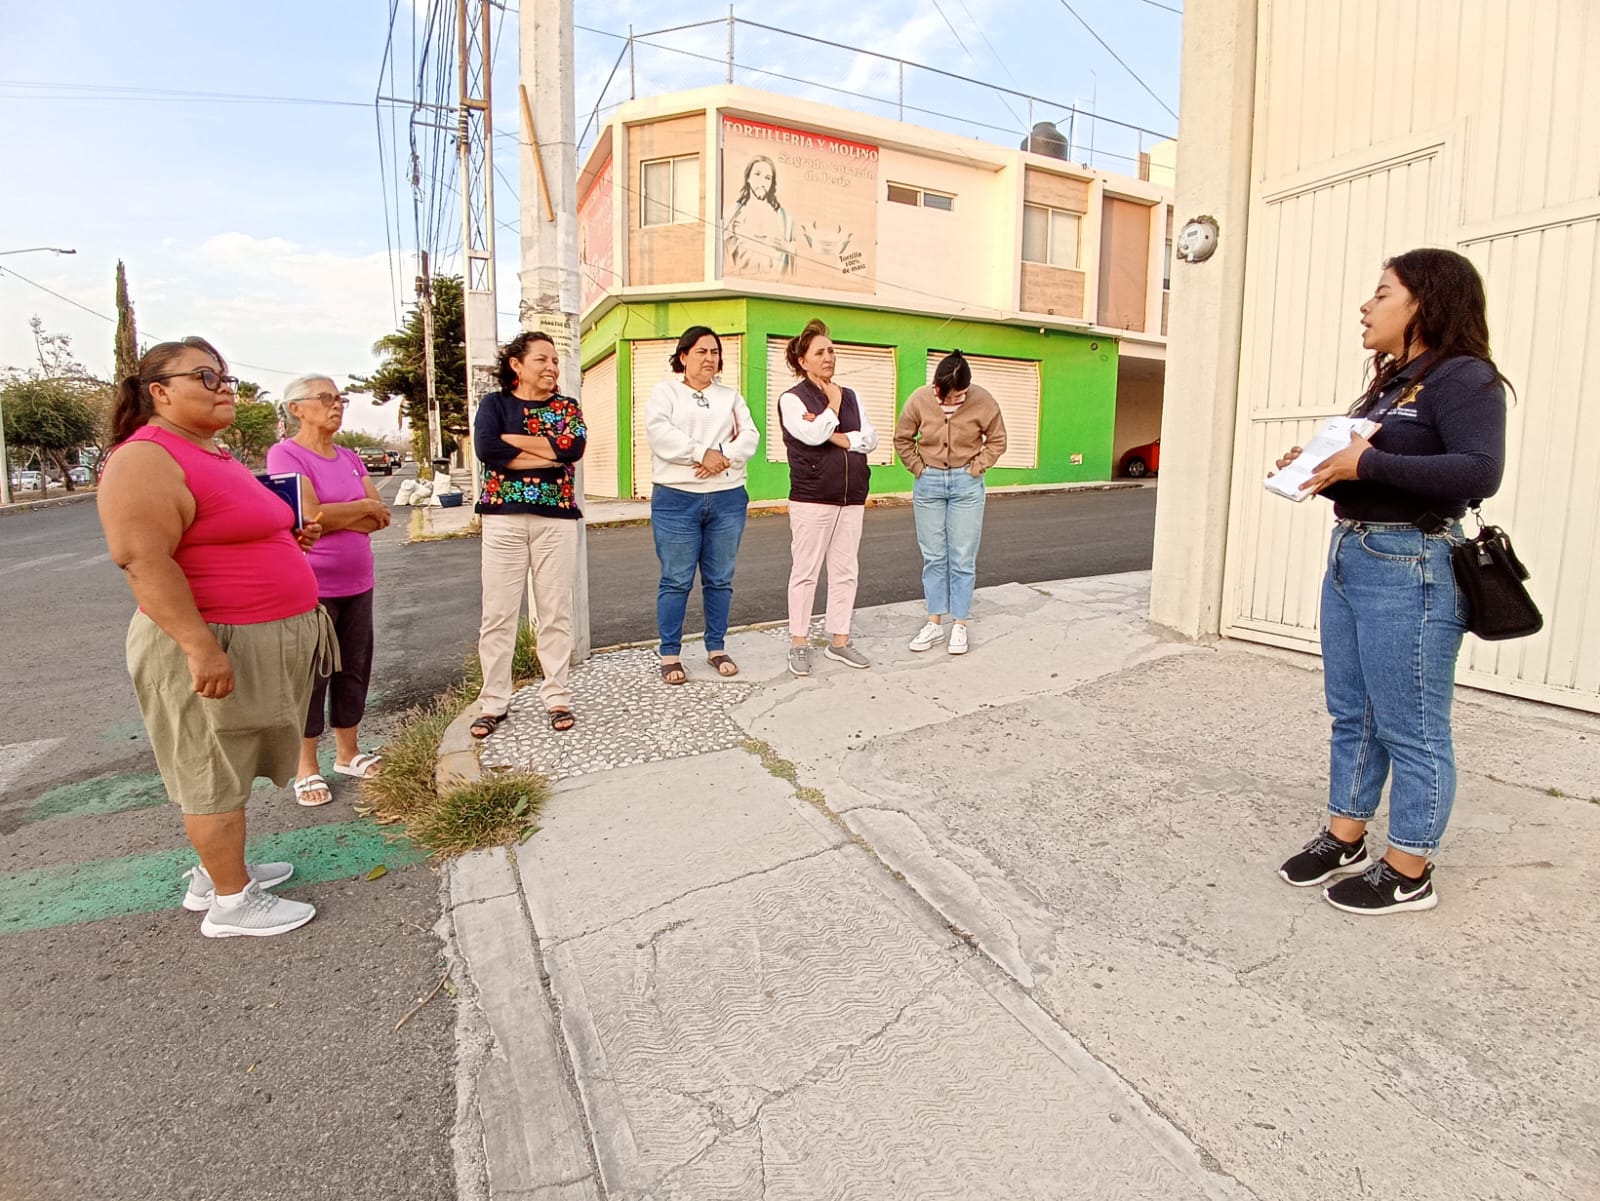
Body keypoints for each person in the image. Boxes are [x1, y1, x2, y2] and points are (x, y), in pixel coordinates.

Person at [1274, 248, 1509, 915]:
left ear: (1424, 303)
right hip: (1353, 553)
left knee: (1411, 725)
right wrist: (1323, 470)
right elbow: (1371, 475)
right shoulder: (1389, 384)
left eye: (1382, 293)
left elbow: (1476, 472)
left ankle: (1409, 866)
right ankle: (1345, 834)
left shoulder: (1465, 378)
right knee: (1353, 710)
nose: (1365, 306)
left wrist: (1367, 461)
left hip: (1412, 566)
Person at [97, 337, 330, 938]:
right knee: (208, 766)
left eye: (225, 375)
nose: (224, 386)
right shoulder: (144, 457)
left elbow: (230, 528)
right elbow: (142, 558)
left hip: (256, 633)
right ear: (159, 391)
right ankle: (231, 903)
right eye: (204, 376)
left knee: (231, 760)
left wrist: (282, 544)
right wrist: (200, 646)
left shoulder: (208, 452)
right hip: (212, 638)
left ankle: (215, 873)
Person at [266, 376, 392, 805]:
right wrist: (360, 509)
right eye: (325, 398)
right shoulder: (285, 453)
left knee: (354, 667)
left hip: (360, 579)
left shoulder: (350, 457)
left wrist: (348, 515)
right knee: (311, 674)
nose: (336, 405)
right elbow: (307, 514)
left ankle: (348, 752)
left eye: (340, 398)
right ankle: (306, 766)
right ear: (296, 408)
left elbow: (381, 517)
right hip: (312, 585)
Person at [471, 331, 587, 737]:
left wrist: (516, 448)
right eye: (541, 359)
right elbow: (488, 449)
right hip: (502, 519)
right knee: (498, 612)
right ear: (516, 365)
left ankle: (557, 695)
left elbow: (571, 451)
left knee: (556, 609)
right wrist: (546, 451)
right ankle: (494, 701)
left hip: (556, 518)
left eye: (555, 360)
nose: (552, 367)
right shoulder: (495, 404)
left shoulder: (567, 407)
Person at [644, 326, 761, 683]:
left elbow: (751, 436)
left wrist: (722, 457)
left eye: (715, 352)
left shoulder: (730, 397)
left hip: (727, 498)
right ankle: (670, 653)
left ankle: (716, 647)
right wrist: (700, 453)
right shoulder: (665, 393)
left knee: (720, 579)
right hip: (676, 499)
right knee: (676, 579)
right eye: (701, 352)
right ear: (683, 357)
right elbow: (660, 433)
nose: (710, 358)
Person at [778, 319, 878, 676]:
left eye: (831, 350)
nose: (828, 357)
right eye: (819, 352)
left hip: (851, 497)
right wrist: (831, 409)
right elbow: (807, 434)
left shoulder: (852, 395)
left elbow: (871, 438)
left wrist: (835, 434)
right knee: (805, 572)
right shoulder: (792, 399)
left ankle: (839, 641)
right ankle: (799, 642)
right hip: (812, 497)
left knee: (845, 571)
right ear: (803, 361)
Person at [893, 350, 1007, 655]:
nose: (951, 403)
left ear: (966, 389)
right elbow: (902, 438)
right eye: (946, 397)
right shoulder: (920, 399)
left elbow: (997, 440)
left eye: (958, 397)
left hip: (966, 484)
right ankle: (934, 622)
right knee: (933, 556)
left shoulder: (983, 401)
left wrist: (976, 467)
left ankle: (959, 625)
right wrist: (918, 468)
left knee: (962, 557)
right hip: (928, 482)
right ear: (936, 386)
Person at [724, 155, 795, 280]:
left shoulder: (783, 217)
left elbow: (797, 250)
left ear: (772, 183)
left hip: (775, 283)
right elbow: (722, 250)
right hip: (742, 280)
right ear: (748, 178)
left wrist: (787, 247)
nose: (762, 182)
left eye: (767, 178)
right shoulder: (733, 213)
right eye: (757, 174)